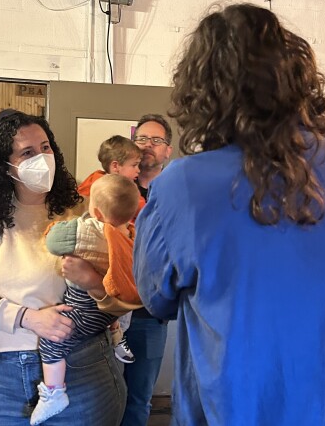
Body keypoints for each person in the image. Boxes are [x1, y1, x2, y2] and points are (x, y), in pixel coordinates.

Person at [133, 3, 325, 425]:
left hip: (225, 406)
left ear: (203, 89)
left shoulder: (180, 185)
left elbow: (157, 298)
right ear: (298, 80)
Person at [0, 112, 126, 426]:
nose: (42, 159)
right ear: (4, 164)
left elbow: (121, 288)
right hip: (5, 377)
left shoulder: (81, 208)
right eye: (27, 153)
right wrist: (28, 318)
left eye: (45, 148)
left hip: (82, 366)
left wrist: (94, 281)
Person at [32, 174, 141, 425]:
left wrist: (70, 223)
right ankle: (116, 338)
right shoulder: (128, 234)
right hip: (108, 310)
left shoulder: (91, 230)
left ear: (97, 211)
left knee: (51, 340)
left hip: (84, 306)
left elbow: (54, 242)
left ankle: (54, 392)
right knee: (106, 320)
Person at [121, 114, 172, 426]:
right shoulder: (113, 187)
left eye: (156, 140)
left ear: (168, 150)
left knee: (139, 399)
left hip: (149, 315)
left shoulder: (177, 194)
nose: (148, 145)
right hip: (107, 314)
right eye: (142, 139)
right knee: (102, 394)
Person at [76, 135, 145, 364]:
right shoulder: (111, 189)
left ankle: (116, 335)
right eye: (134, 165)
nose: (138, 170)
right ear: (115, 166)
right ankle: (117, 336)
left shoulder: (93, 184)